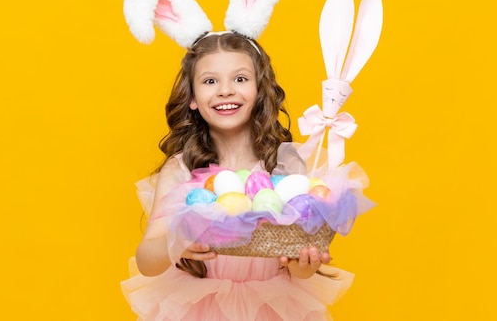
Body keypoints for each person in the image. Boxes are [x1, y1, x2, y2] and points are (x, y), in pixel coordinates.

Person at [121, 32, 354, 320]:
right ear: (192, 98)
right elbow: (146, 262)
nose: (225, 90)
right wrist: (177, 238)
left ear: (259, 90)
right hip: (198, 309)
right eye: (210, 81)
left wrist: (304, 265)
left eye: (240, 79)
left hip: (276, 308)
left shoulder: (285, 166)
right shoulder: (181, 169)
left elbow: (296, 266)